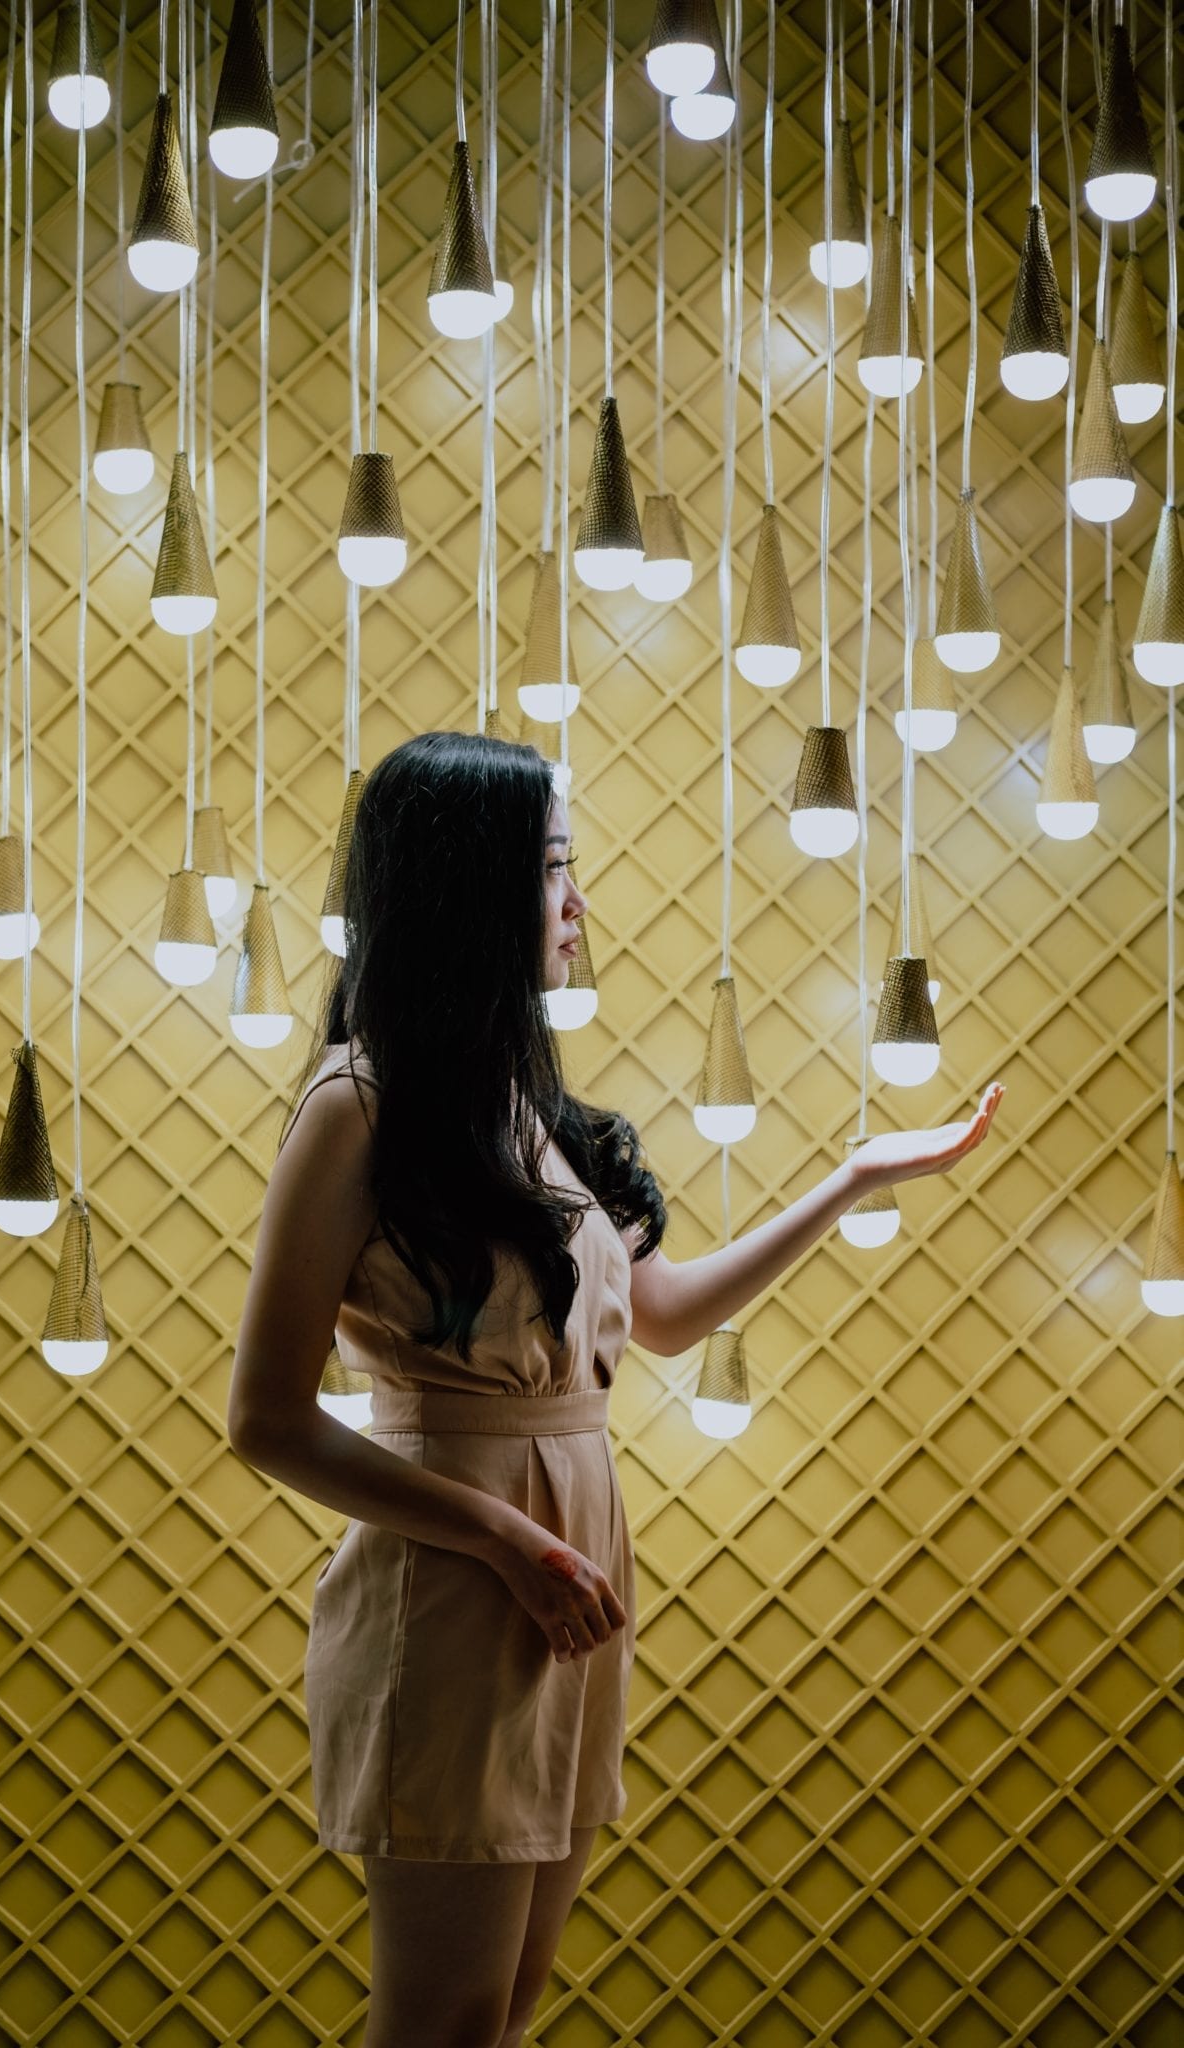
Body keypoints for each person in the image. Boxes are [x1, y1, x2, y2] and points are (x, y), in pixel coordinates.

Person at [228, 730, 1004, 2048]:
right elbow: (267, 1419)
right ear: (468, 894)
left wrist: (854, 1177)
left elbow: (660, 1315)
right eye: (550, 872)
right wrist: (507, 1538)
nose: (576, 908)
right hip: (462, 1583)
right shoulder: (357, 1106)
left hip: (572, 1575)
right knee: (441, 2021)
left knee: (510, 2002)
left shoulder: (528, 1112)